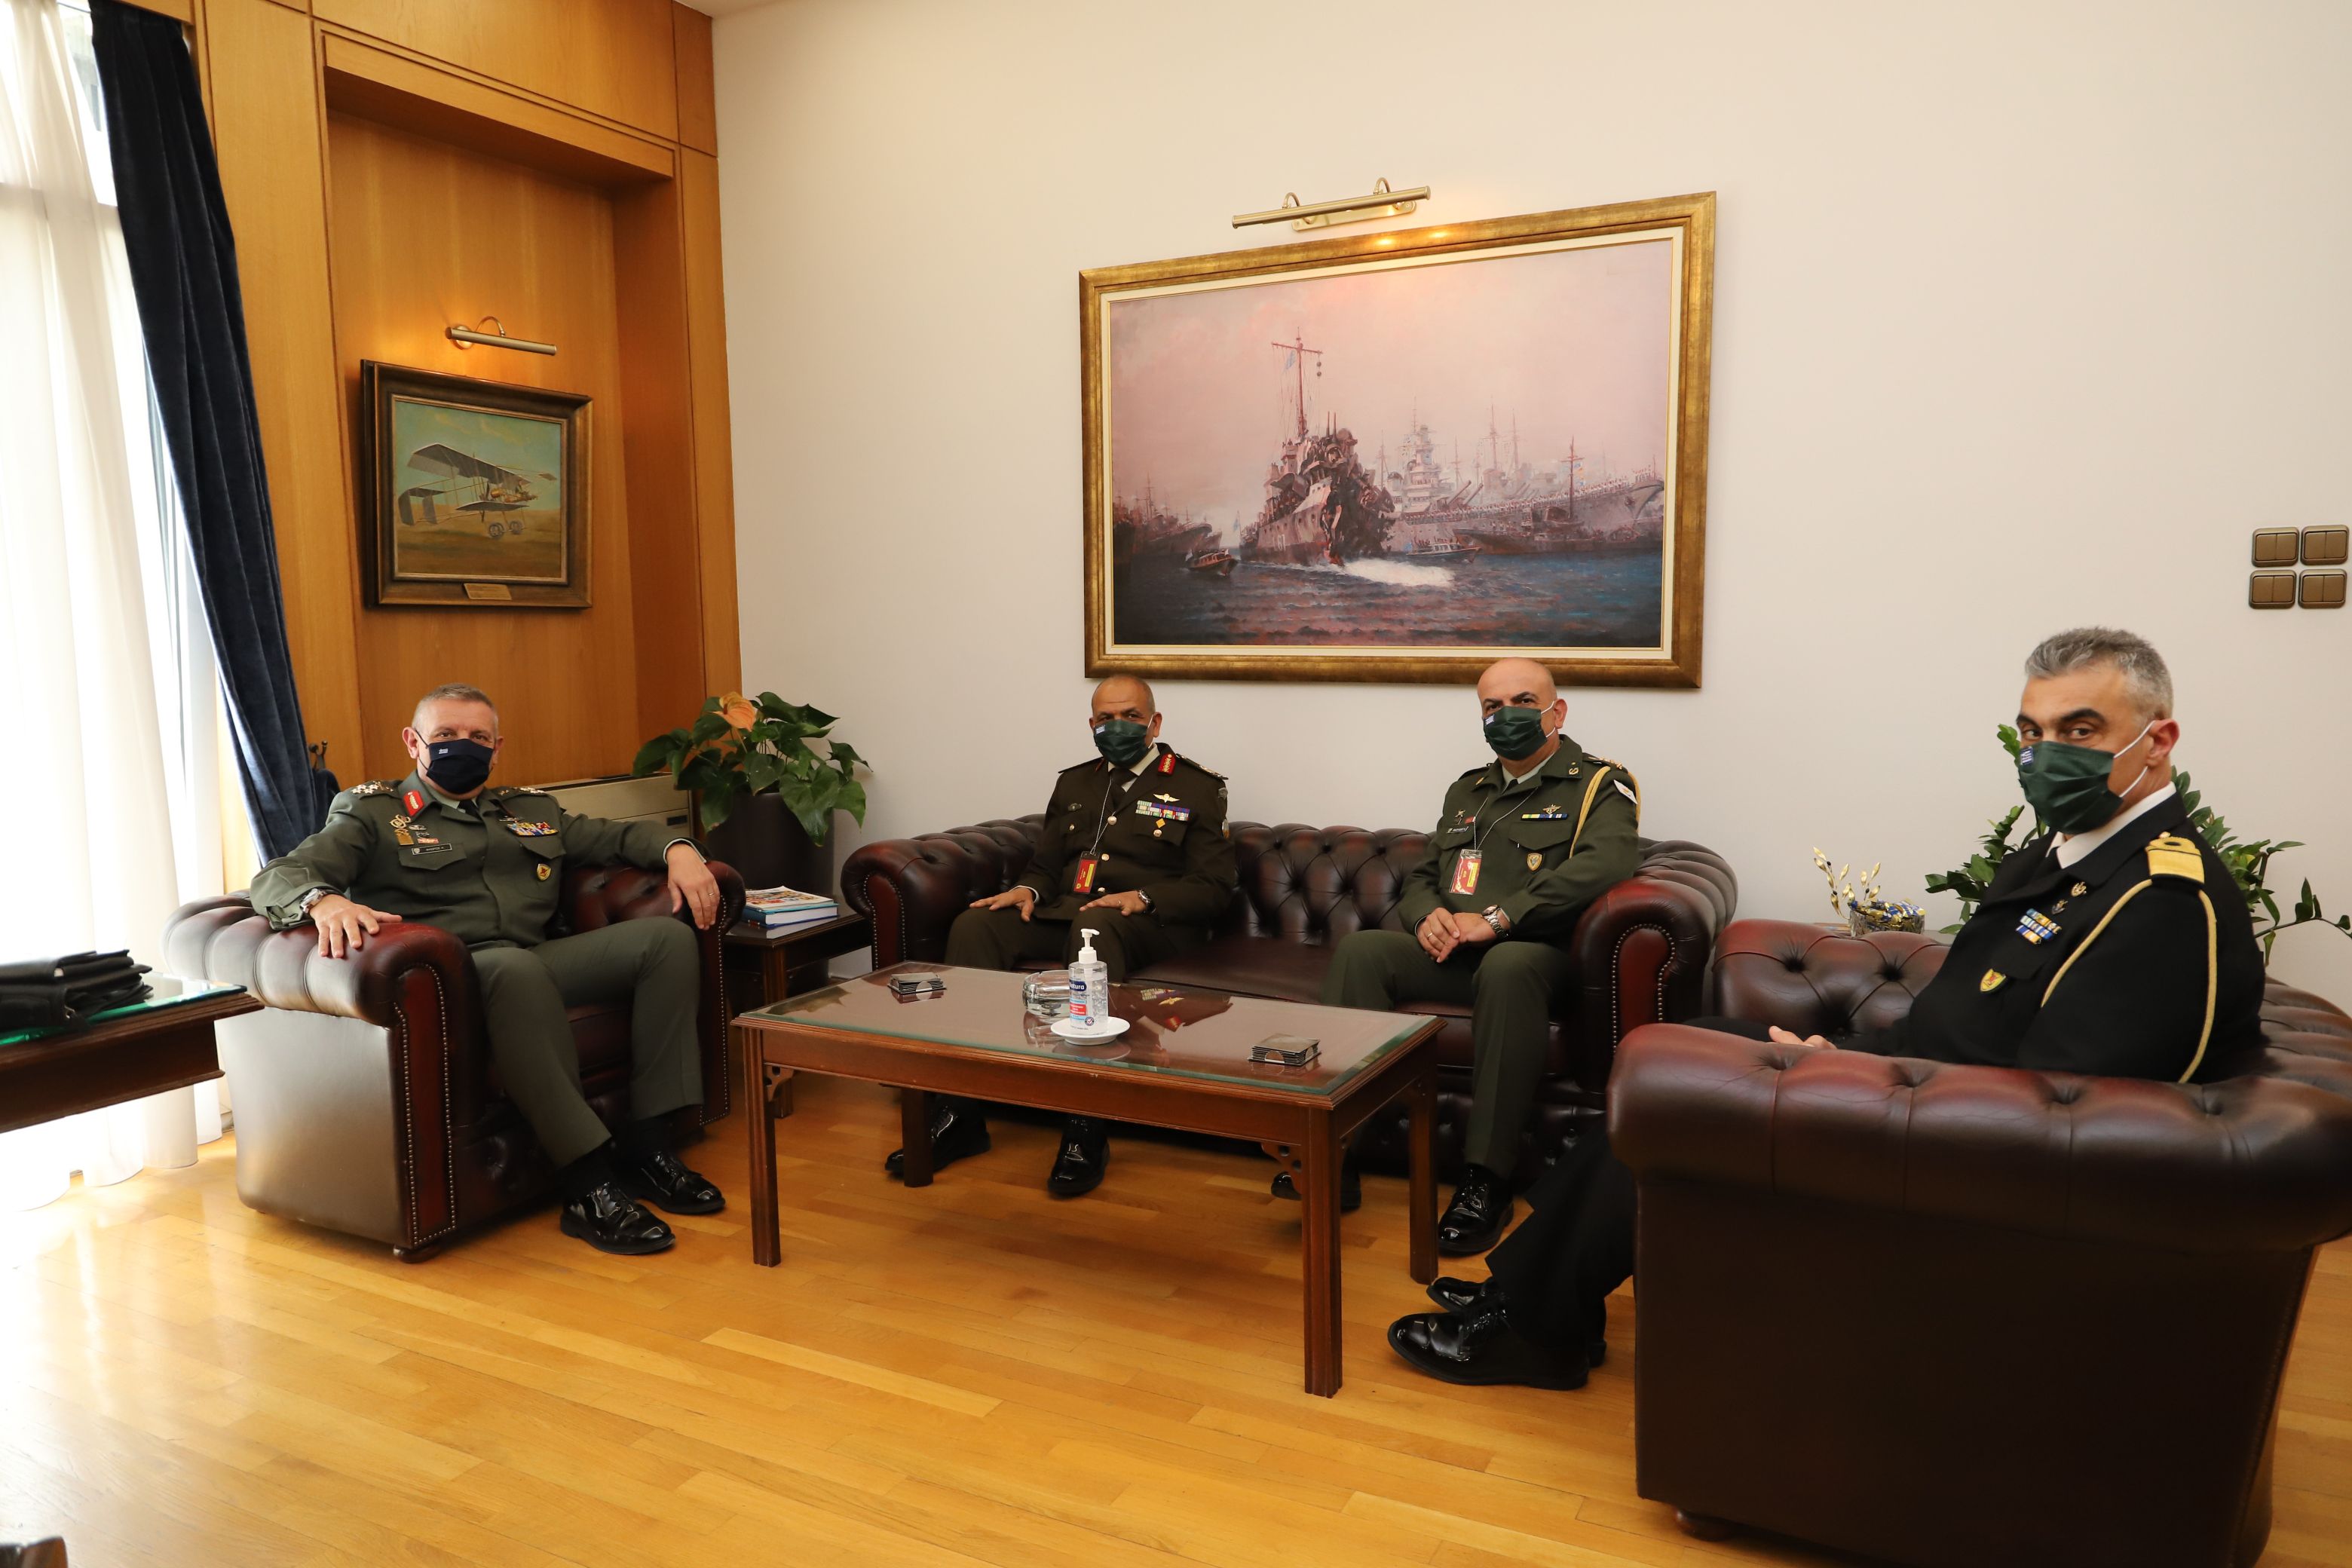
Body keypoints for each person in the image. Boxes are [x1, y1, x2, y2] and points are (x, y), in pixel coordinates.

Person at [1387, 626, 2266, 1389]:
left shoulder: (2162, 900)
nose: (2044, 755)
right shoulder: (2069, 852)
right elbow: (1969, 1018)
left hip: (1950, 1138)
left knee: (1687, 1094)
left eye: (2080, 731)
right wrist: (1844, 1052)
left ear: (2158, 740)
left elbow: (2061, 1114)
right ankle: (1533, 1290)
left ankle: (1535, 1329)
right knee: (1670, 1049)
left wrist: (1852, 1081)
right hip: (1917, 1083)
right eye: (2032, 732)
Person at [248, 683, 729, 1257]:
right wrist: (323, 901)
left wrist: (680, 849)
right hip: (452, 979)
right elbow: (279, 876)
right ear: (413, 742)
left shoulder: (530, 811)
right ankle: (587, 1184)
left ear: (497, 749)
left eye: (478, 737)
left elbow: (619, 836)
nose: (463, 745)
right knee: (512, 968)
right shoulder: (371, 813)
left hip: (532, 962)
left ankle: (650, 1145)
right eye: (446, 735)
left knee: (665, 941)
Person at [1315, 657, 1641, 1254]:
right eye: (1493, 707)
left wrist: (1498, 919)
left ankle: (1484, 1181)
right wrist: (1427, 919)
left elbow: (1607, 865)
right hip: (1460, 955)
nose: (1506, 716)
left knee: (1507, 965)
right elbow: (1425, 877)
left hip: (1536, 957)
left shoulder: (1598, 785)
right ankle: (1334, 1155)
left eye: (1523, 702)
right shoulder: (1468, 789)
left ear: (1557, 712)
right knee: (1363, 951)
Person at [887, 675, 1238, 1197]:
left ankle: (1085, 1124)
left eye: (1131, 717)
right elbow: (1047, 866)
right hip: (1071, 917)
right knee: (976, 924)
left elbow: (1215, 886)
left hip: (1150, 926)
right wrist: (1027, 889)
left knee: (1096, 925)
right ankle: (959, 1111)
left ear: (1155, 723)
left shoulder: (1196, 786)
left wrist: (1144, 897)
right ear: (1092, 724)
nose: (1118, 727)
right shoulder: (1075, 783)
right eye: (1106, 718)